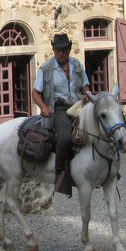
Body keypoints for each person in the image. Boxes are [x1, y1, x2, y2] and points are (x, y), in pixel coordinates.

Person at [31, 33, 90, 197]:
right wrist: (43, 107)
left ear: (69, 48)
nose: (61, 53)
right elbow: (35, 93)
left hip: (79, 105)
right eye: (58, 50)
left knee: (97, 126)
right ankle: (60, 173)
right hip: (60, 108)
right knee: (64, 137)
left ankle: (104, 164)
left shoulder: (76, 65)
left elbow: (85, 86)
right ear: (53, 49)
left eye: (64, 50)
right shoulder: (46, 68)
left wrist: (87, 94)